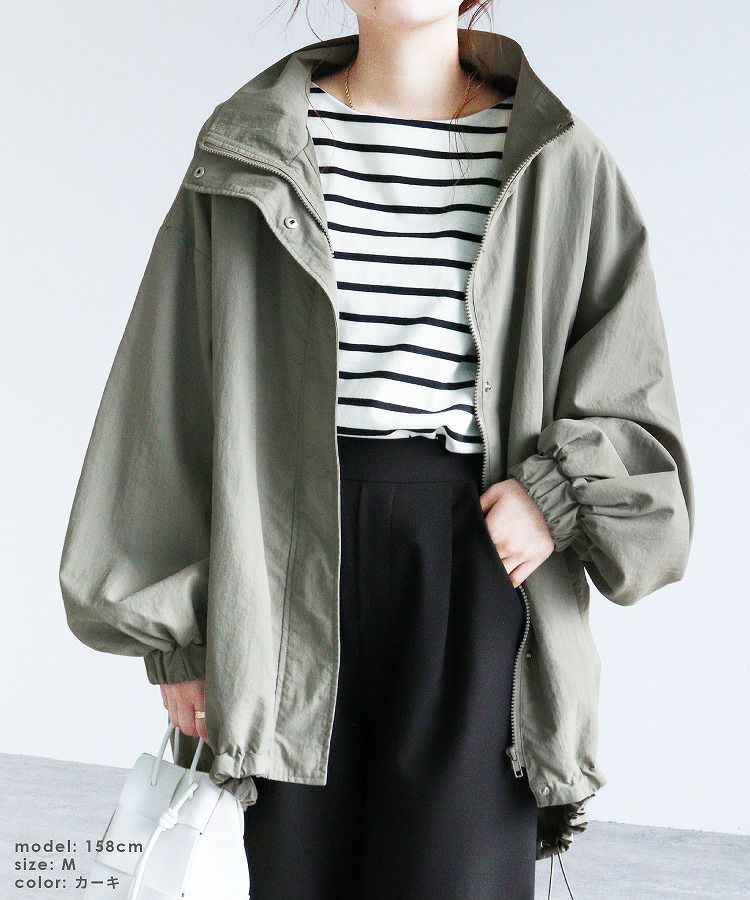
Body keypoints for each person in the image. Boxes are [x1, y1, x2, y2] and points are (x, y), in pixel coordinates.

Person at [59, 1, 694, 898]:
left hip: (474, 566)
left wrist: (554, 494)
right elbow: (167, 399)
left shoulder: (559, 162)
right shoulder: (253, 148)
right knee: (283, 875)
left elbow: (636, 409)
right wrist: (178, 642)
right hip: (277, 574)